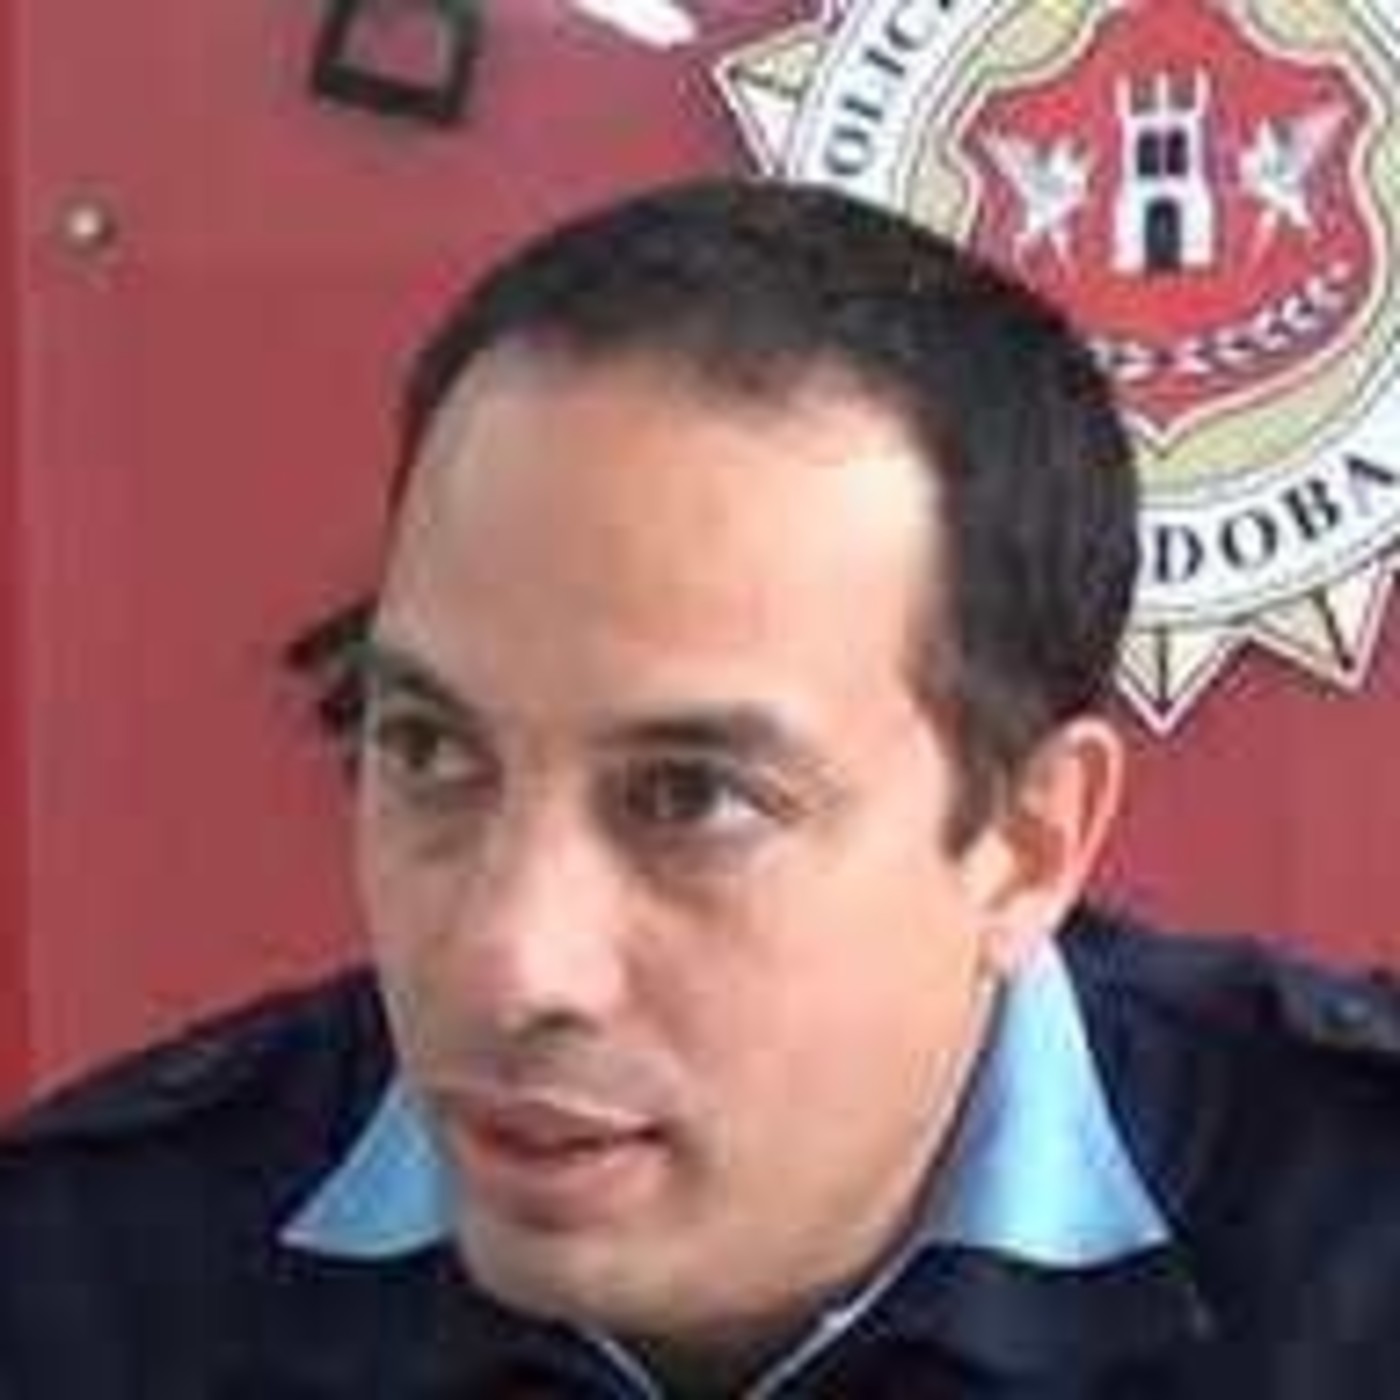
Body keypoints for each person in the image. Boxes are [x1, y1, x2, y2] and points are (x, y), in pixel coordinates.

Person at [3, 178, 1400, 1399]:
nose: (507, 967)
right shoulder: (78, 1286)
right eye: (428, 751)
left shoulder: (1355, 1253)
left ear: (1030, 844)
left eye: (691, 799)